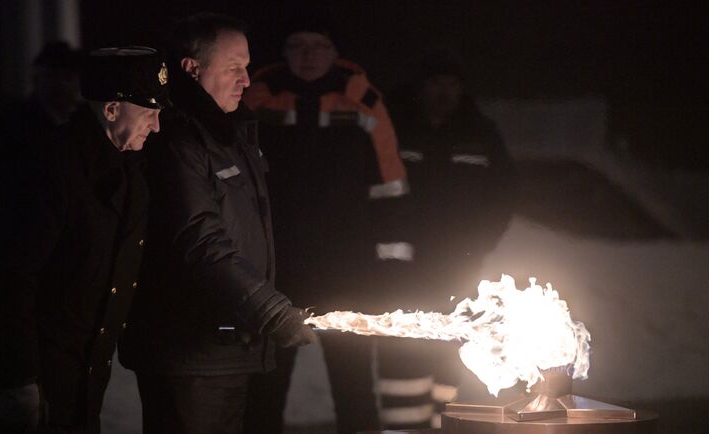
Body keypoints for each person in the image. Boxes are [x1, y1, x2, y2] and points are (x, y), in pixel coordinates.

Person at [117, 13, 316, 434]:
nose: (246, 79)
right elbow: (200, 239)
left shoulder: (229, 137)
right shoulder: (177, 140)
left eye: (247, 67)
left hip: (225, 346)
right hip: (188, 351)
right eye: (233, 68)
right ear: (192, 68)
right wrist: (269, 309)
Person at [0, 47, 166, 434]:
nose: (157, 126)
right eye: (149, 113)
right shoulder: (52, 167)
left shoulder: (127, 172)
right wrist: (20, 379)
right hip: (38, 377)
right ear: (111, 110)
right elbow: (8, 278)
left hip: (83, 371)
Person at [243, 19, 408, 434]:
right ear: (284, 52)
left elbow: (390, 184)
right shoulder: (258, 99)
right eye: (298, 45)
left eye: (319, 45)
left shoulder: (362, 100)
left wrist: (390, 265)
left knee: (353, 384)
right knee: (266, 384)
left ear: (336, 53)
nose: (309, 55)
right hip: (277, 268)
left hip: (348, 269)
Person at [374, 54, 518, 429]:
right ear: (420, 88)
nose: (443, 91)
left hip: (457, 268)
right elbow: (367, 191)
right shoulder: (394, 129)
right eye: (434, 82)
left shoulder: (481, 134)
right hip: (399, 268)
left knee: (448, 357)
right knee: (403, 353)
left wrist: (478, 244)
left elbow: (503, 194)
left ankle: (439, 425)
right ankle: (404, 427)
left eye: (451, 83)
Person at [0, 41, 83, 218]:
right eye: (66, 77)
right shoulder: (11, 126)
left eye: (73, 77)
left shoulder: (79, 123)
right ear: (44, 79)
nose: (73, 86)